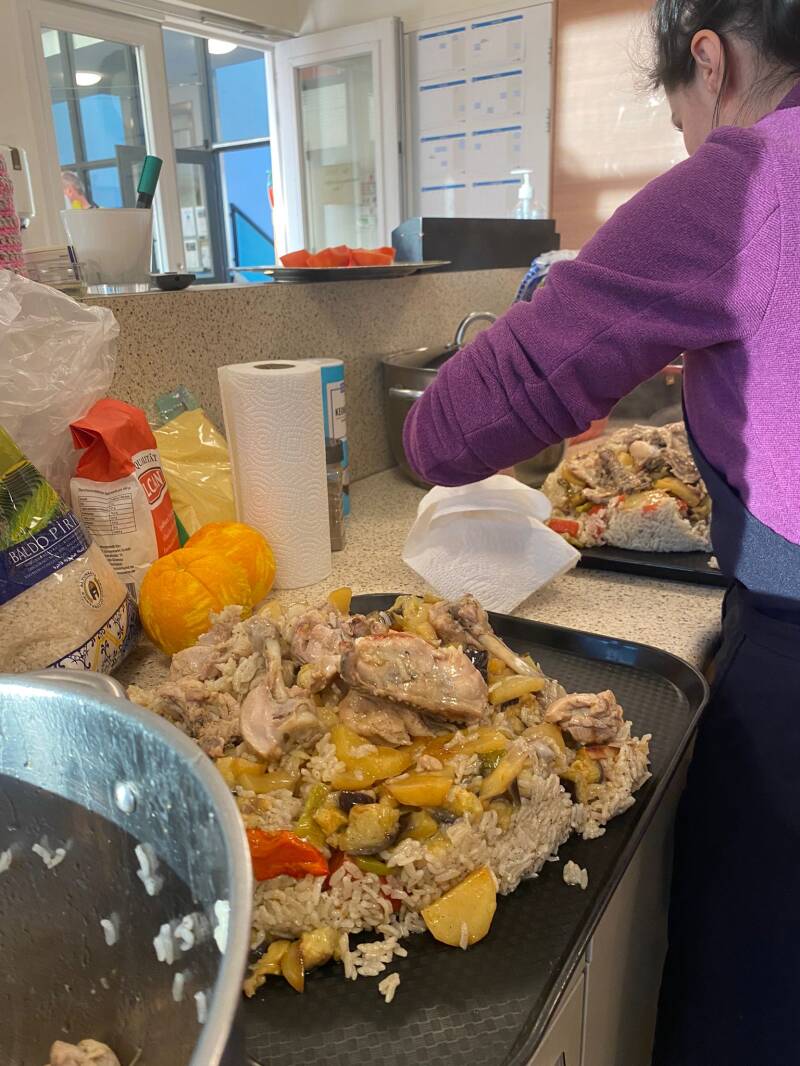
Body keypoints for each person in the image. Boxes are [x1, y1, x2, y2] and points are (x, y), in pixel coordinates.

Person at [403, 2, 800, 1063]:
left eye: (681, 122)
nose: (690, 146)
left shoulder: (752, 177)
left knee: (751, 1008)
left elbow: (451, 431)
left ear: (710, 62)